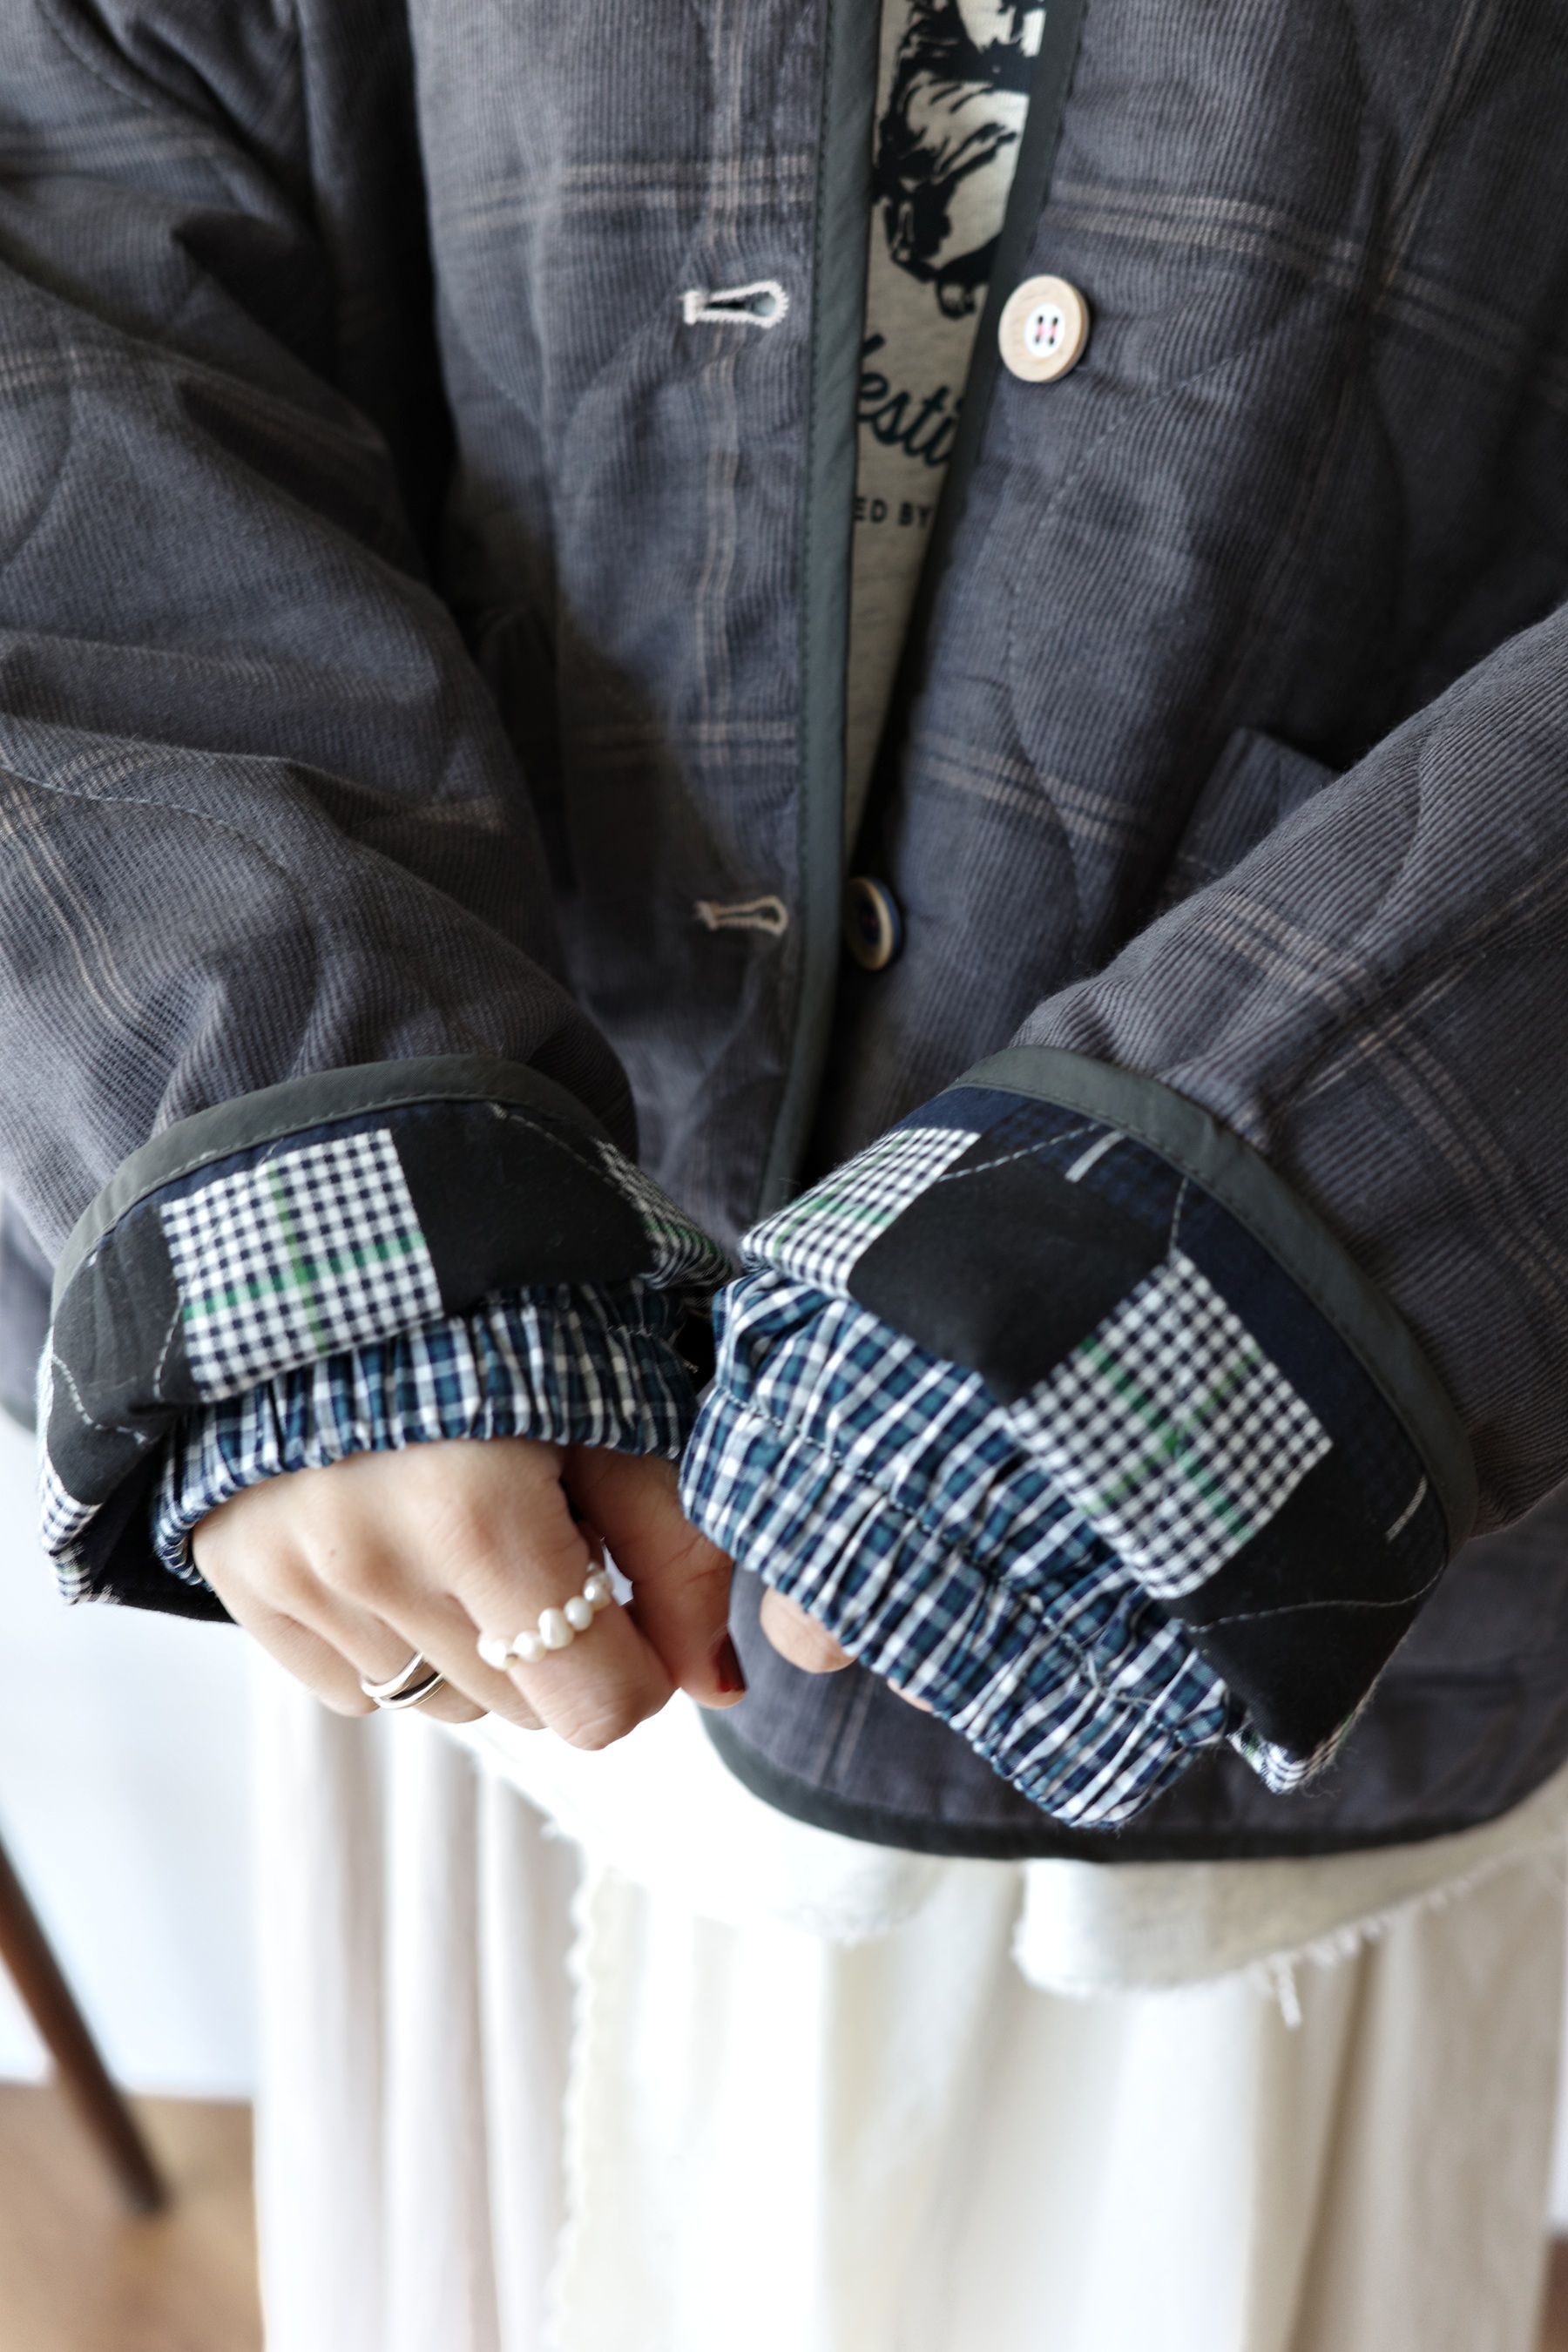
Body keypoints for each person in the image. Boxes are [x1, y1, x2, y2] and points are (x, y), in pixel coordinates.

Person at [5, 0, 1568, 2342]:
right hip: (459, 1488)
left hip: (1271, 1603)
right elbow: (80, 154)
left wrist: (1291, 1199)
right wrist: (289, 1113)